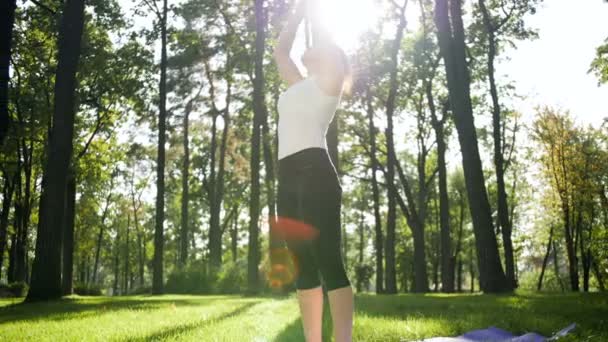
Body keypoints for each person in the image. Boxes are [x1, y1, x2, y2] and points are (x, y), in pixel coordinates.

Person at [272, 0, 353, 341]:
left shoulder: (329, 82)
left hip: (315, 174)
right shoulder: (297, 85)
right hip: (287, 178)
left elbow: (331, 53)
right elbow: (279, 51)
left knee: (328, 261)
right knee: (302, 266)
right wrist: (299, 10)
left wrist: (319, 16)